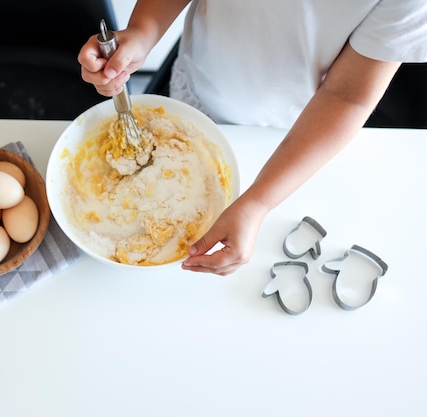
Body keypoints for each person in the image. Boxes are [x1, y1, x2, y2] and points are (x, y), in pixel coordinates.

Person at [77, 0, 427, 275]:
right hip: (195, 87)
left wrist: (258, 203)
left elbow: (347, 96)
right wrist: (142, 31)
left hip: (290, 136)